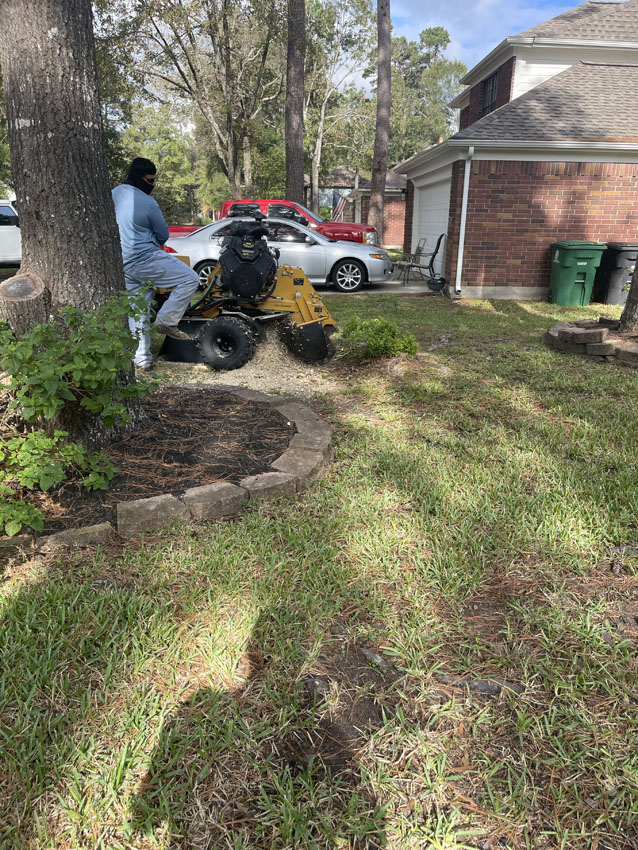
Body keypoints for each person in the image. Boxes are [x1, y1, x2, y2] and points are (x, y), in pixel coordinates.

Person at [112, 157, 200, 371]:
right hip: (146, 258)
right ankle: (167, 320)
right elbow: (162, 235)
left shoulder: (112, 194)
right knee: (190, 279)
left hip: (124, 264)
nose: (153, 184)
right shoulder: (148, 202)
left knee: (138, 310)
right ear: (141, 178)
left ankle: (142, 360)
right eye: (151, 180)